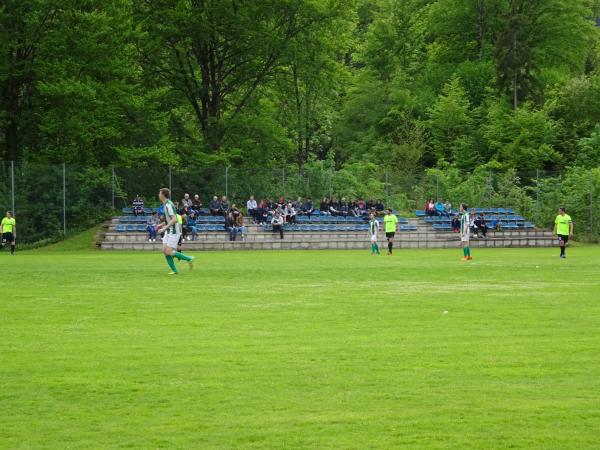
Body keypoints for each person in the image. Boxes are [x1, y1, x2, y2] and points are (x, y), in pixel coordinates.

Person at [157, 188, 194, 274]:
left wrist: (164, 228)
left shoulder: (168, 205)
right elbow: (169, 219)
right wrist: (161, 224)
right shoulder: (165, 204)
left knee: (168, 251)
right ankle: (174, 270)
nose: (159, 195)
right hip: (168, 230)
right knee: (164, 251)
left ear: (163, 195)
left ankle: (188, 258)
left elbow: (174, 219)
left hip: (174, 231)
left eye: (160, 193)